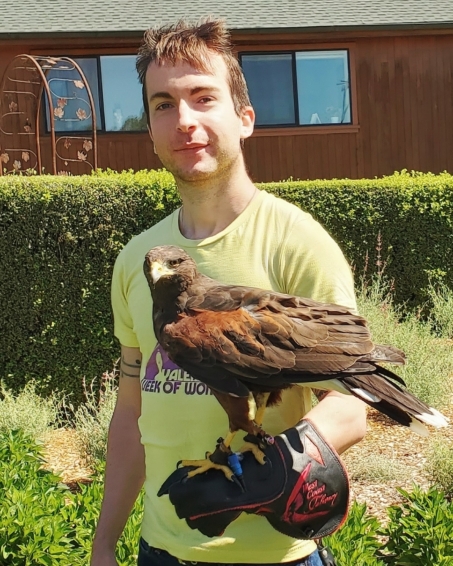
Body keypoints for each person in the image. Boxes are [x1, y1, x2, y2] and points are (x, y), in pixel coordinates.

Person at [90, 18, 367, 566]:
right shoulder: (135, 260)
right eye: (163, 104)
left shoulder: (297, 243)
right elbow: (131, 413)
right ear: (149, 128)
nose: (184, 120)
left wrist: (271, 466)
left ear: (244, 119)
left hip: (276, 555)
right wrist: (104, 542)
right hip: (163, 548)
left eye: (203, 97)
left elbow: (353, 401)